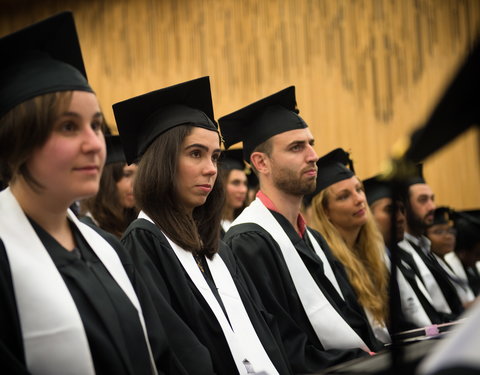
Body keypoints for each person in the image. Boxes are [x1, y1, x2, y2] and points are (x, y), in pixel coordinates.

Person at [0, 12, 207, 375]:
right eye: (68, 126)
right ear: (17, 141)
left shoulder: (107, 248)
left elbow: (160, 357)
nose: (94, 144)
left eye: (96, 125)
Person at [115, 77, 292, 375]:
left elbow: (264, 330)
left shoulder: (215, 245)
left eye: (215, 156)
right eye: (195, 153)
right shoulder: (143, 244)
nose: (211, 169)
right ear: (162, 161)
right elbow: (175, 352)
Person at [220, 87, 382, 374]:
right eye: (297, 147)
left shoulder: (314, 238)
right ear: (261, 162)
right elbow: (283, 348)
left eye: (311, 144)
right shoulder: (248, 242)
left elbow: (351, 320)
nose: (313, 156)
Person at [306, 149, 391, 344]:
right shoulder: (325, 264)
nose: (360, 199)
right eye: (344, 196)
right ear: (325, 211)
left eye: (359, 189)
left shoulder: (372, 253)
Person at [363, 175, 444, 329]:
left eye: (402, 210)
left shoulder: (401, 259)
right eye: (391, 210)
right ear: (367, 215)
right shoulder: (364, 265)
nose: (401, 218)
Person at [398, 165, 464, 319]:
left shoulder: (424, 247)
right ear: (404, 207)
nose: (432, 206)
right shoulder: (401, 254)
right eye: (423, 200)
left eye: (432, 199)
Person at [80, 135, 138, 237]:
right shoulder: (88, 229)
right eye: (127, 175)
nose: (135, 183)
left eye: (138, 176)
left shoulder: (137, 225)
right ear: (108, 180)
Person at [426, 207, 475, 307]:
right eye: (438, 232)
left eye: (450, 231)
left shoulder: (445, 262)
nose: (448, 236)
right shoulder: (428, 268)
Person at [445, 210, 480, 297]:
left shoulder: (472, 265)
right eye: (477, 254)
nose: (479, 259)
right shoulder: (450, 268)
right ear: (462, 253)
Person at [218, 148, 248, 236]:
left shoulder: (245, 224)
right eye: (236, 183)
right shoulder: (207, 228)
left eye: (245, 183)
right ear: (221, 185)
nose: (243, 190)